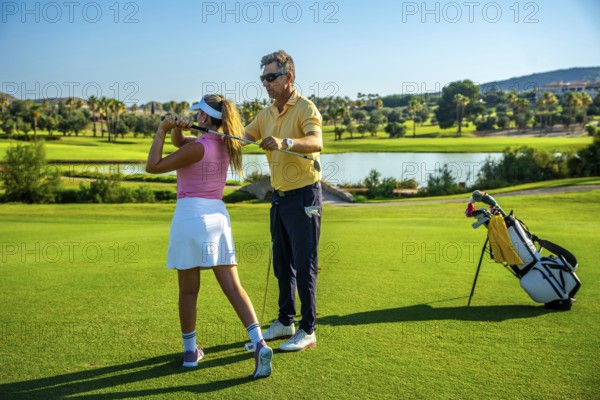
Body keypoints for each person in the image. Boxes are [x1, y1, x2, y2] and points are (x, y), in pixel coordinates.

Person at [145, 94, 272, 379]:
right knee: (233, 287)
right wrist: (178, 129)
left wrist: (162, 130)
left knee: (189, 290)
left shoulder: (199, 148)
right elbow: (182, 144)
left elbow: (152, 166)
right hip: (217, 218)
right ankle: (258, 343)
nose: (196, 117)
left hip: (190, 217)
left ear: (204, 118)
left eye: (198, 114)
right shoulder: (224, 143)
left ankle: (190, 352)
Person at [245, 50, 323, 352]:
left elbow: (316, 142)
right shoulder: (266, 114)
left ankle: (308, 328)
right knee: (282, 264)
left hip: (305, 196)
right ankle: (285, 321)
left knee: (305, 265)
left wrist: (285, 142)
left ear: (288, 77)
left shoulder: (305, 108)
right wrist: (212, 127)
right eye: (263, 78)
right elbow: (243, 135)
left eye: (271, 77)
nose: (266, 82)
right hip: (279, 199)